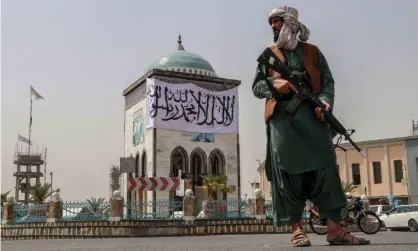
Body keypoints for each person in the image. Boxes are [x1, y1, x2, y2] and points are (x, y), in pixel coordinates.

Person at [251, 5, 370, 247]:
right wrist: (277, 84)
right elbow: (257, 87)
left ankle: (335, 230)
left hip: (315, 120)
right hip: (283, 124)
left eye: (277, 21)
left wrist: (325, 102)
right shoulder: (270, 55)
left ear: (291, 24)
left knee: (326, 169)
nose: (273, 27)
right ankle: (296, 229)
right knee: (287, 174)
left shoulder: (314, 53)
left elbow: (328, 83)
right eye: (271, 22)